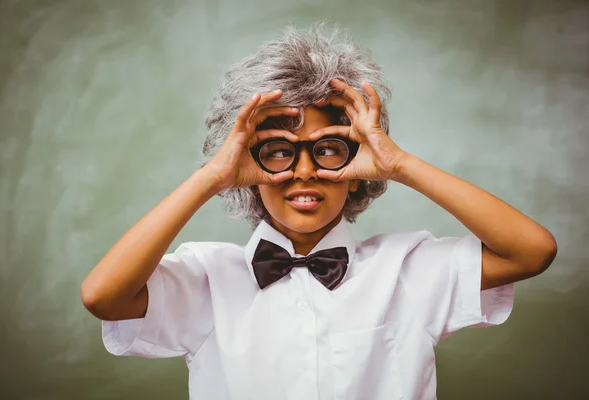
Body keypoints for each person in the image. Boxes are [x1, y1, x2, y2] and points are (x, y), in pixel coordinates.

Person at [81, 21, 557, 400]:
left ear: (357, 164)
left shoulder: (407, 270)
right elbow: (103, 296)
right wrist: (211, 177)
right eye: (278, 150)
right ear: (247, 162)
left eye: (328, 148)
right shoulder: (206, 278)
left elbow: (531, 252)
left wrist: (400, 164)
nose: (304, 171)